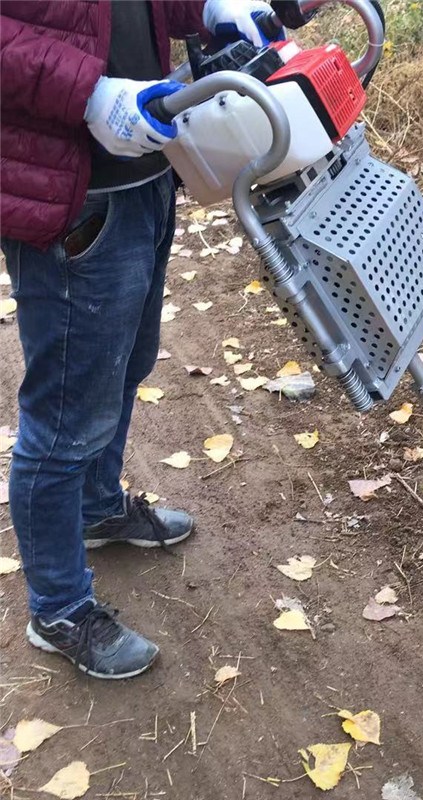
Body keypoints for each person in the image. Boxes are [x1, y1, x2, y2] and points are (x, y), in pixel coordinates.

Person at [0, 0, 277, 680]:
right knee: (66, 416)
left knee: (128, 364)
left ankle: (97, 507)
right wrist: (87, 92)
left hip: (147, 175)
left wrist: (214, 7)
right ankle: (59, 608)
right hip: (71, 194)